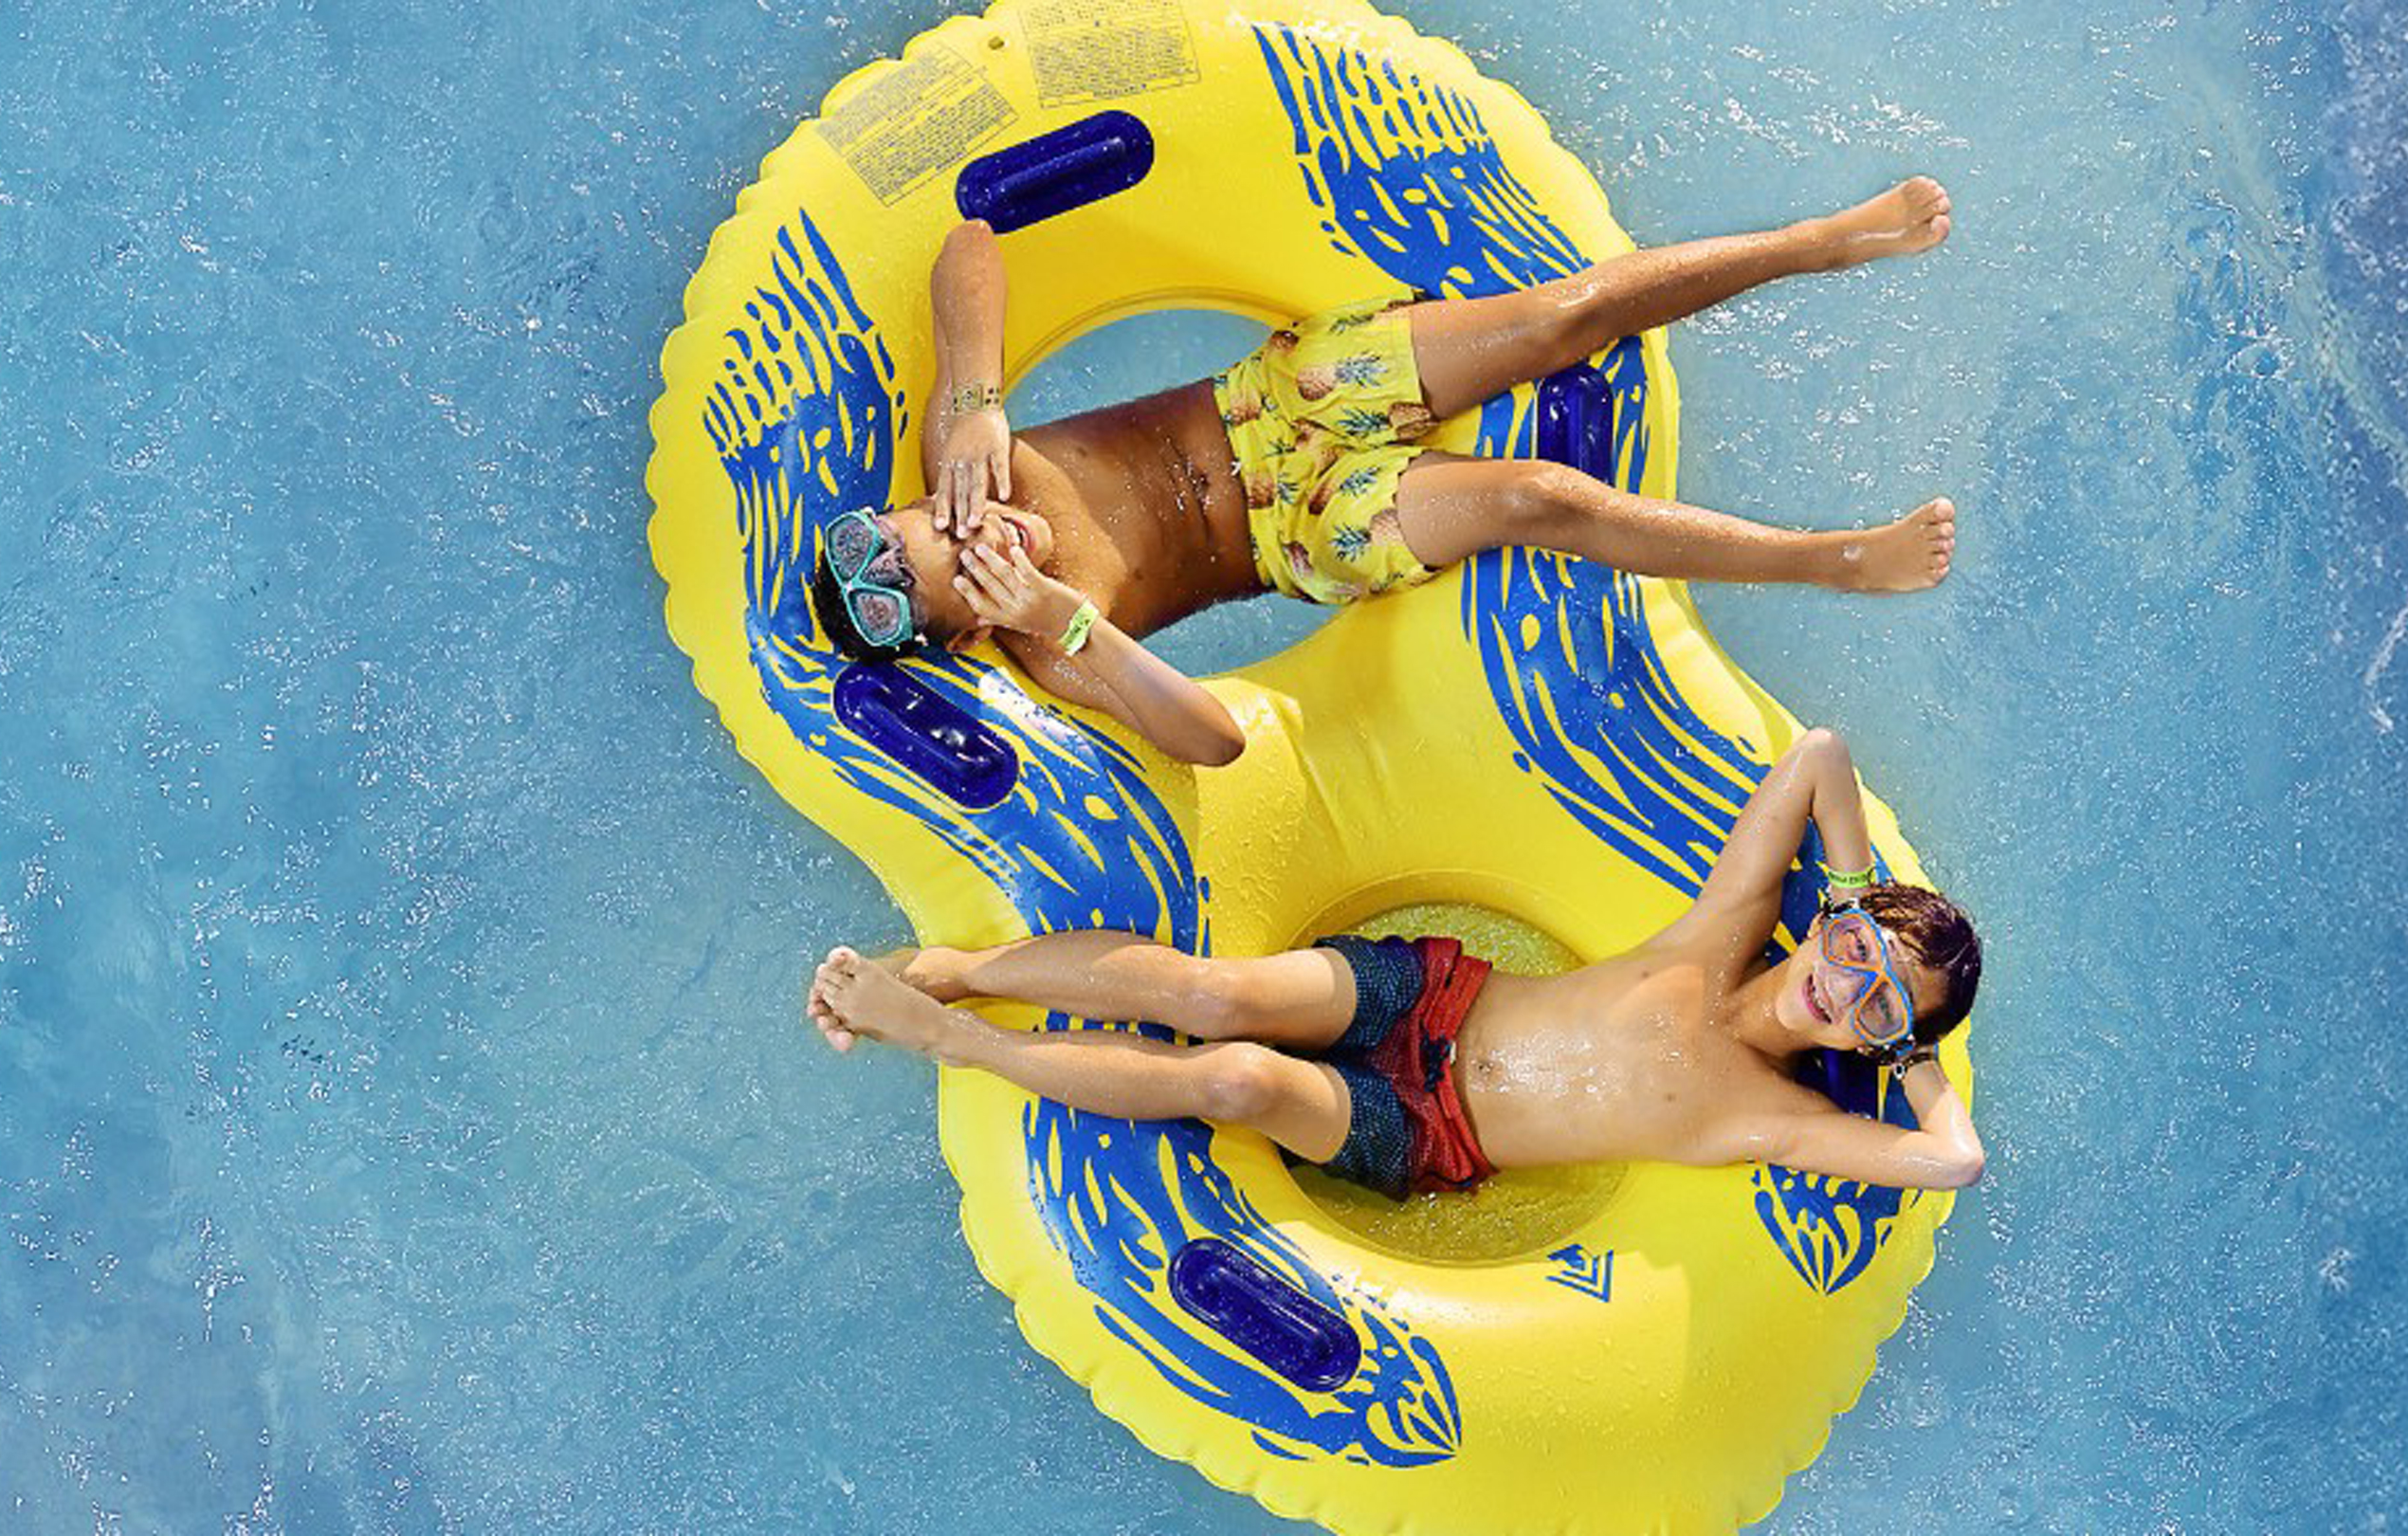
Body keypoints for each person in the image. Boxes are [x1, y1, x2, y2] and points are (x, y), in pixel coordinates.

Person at [813, 178, 1962, 766]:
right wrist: (1071, 622)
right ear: (967, 633)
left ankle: (1825, 239)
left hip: (1272, 399)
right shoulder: (1045, 647)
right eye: (964, 575)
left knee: (1574, 315)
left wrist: (974, 400)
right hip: (1307, 532)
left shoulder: (963, 458)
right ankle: (1833, 560)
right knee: (1538, 502)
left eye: (943, 524)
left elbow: (970, 244)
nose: (980, 539)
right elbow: (1213, 740)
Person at [806, 726, 1984, 1196]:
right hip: (1436, 993)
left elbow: (1955, 1160)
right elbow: (1821, 755)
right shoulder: (1721, 936)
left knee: (1238, 1081)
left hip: (1431, 1134)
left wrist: (1909, 1050)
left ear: (1877, 1032)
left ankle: (960, 1039)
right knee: (1219, 996)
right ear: (1834, 919)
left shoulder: (1765, 1115)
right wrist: (1848, 887)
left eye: (1876, 997)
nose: (1846, 977)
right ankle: (969, 966)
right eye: (1853, 947)